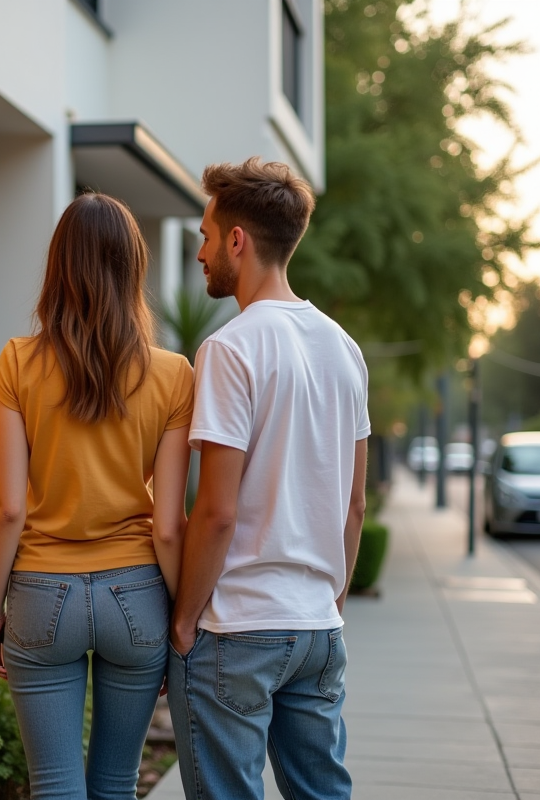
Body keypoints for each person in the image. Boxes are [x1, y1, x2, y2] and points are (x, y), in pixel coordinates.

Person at [168, 158, 369, 800]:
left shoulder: (230, 348)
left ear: (237, 240)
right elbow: (354, 505)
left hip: (239, 628)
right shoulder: (345, 348)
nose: (199, 252)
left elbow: (217, 512)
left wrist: (184, 619)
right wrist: (329, 601)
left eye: (204, 235)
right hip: (317, 627)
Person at [0, 192, 194, 799]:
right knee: (116, 784)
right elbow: (170, 525)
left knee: (54, 786)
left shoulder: (18, 363)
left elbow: (10, 508)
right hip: (137, 596)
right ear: (133, 268)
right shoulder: (174, 374)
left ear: (58, 265)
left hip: (43, 593)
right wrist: (177, 621)